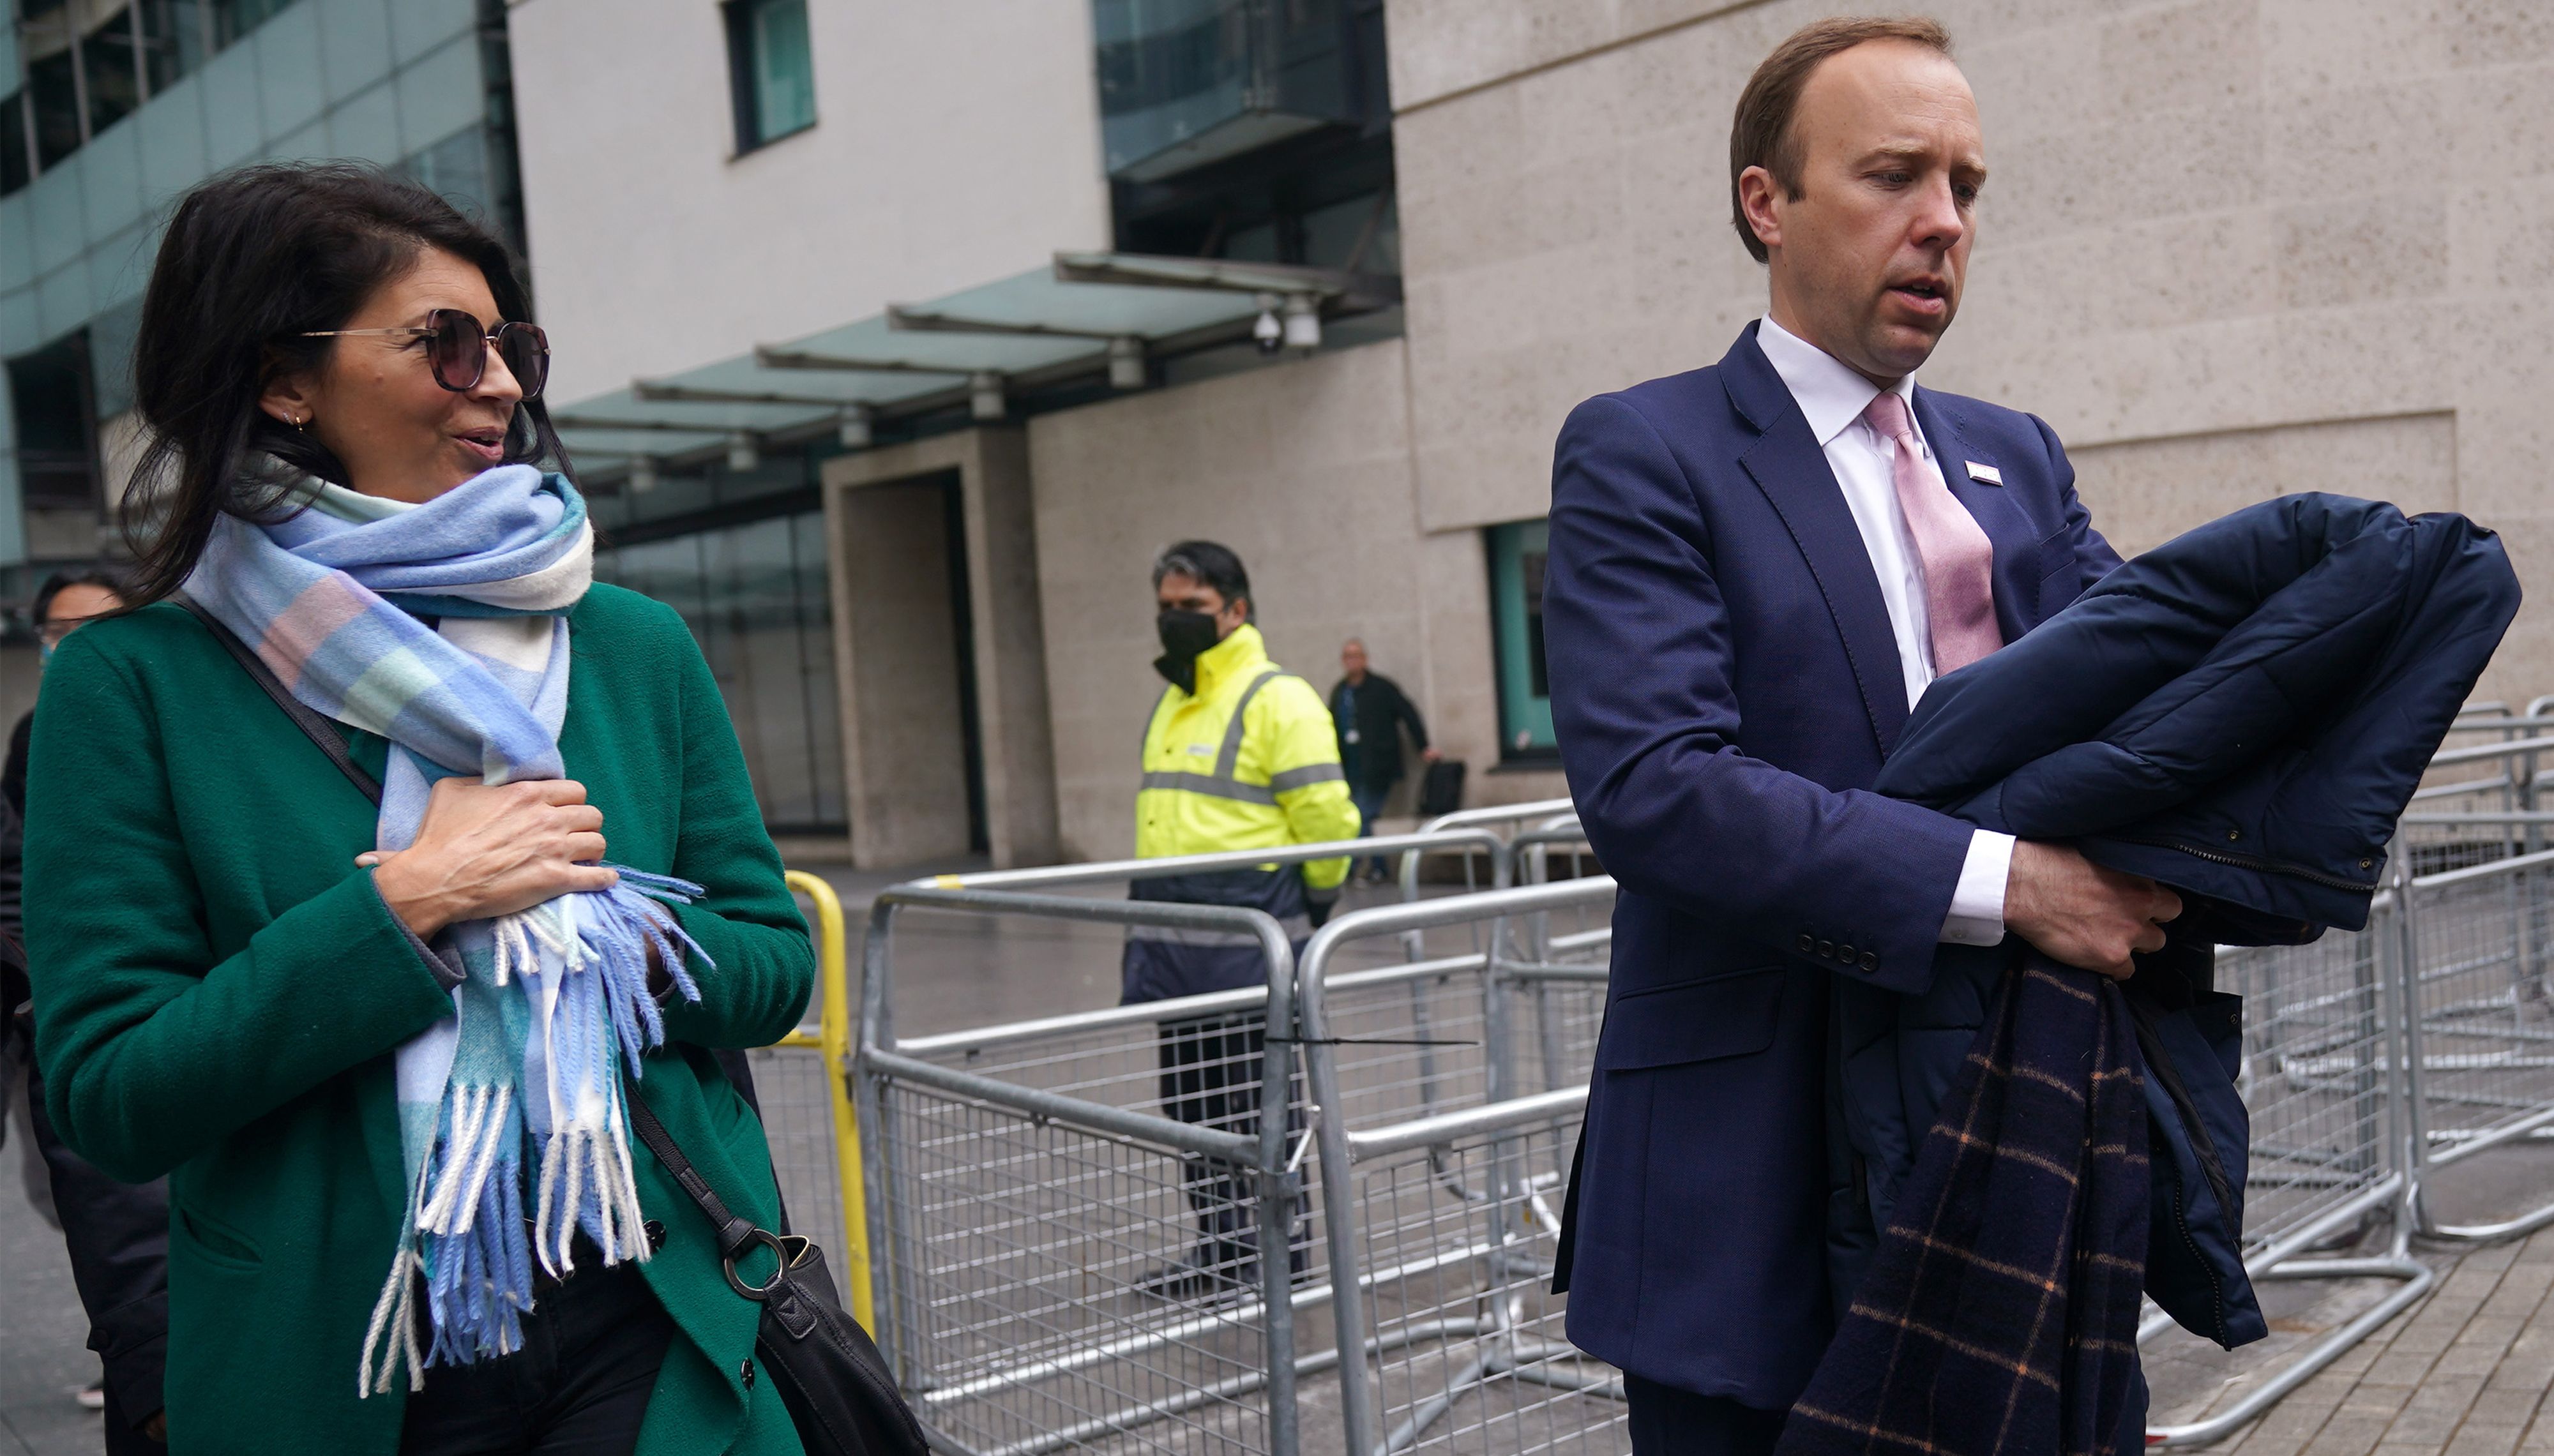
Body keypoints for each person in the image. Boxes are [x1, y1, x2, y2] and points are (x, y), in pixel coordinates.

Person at [20, 163, 815, 1455]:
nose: (499, 381)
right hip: (340, 1360)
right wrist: (404, 906)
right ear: (284, 379)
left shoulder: (629, 644)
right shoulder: (133, 685)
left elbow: (773, 967)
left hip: (655, 1308)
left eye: (513, 344)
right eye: (446, 343)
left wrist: (596, 928)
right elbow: (114, 1094)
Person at [1539, 18, 2181, 1456]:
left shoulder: (2011, 454)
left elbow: (2156, 686)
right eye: (1893, 175)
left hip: (2005, 1140)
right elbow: (1655, 789)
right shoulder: (1646, 451)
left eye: (1963, 185)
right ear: (1765, 203)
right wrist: (2006, 884)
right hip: (1747, 1189)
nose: (1941, 223)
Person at [1126, 541, 1358, 1298]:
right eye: (1166, 606)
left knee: (1257, 1109)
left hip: (1247, 945)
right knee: (1192, 1107)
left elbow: (1327, 820)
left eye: (1190, 607)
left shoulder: (1277, 698)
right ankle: (1221, 1253)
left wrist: (1318, 906)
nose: (1174, 619)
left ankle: (1274, 1257)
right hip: (1172, 944)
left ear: (1236, 608)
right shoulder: (1175, 696)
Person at [1, 568, 176, 1450]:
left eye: (100, 624)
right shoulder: (43, 732)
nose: (81, 643)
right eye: (62, 629)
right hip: (76, 1010)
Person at [1326, 638, 1439, 883]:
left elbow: (1408, 713)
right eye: (1347, 656)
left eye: (1356, 656)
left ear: (1365, 659)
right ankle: (1375, 867)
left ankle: (1353, 867)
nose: (1351, 661)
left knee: (1363, 817)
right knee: (1360, 818)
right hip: (1350, 766)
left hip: (1378, 765)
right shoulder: (1340, 692)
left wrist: (1423, 746)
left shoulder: (1381, 688)